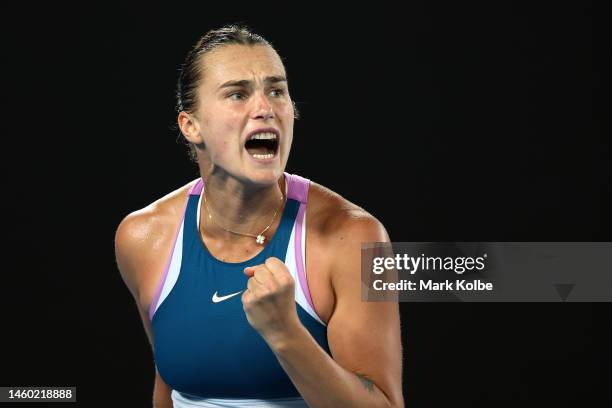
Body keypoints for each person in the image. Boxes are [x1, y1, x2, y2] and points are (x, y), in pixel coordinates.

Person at [115, 25, 404, 408]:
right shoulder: (142, 238)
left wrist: (286, 334)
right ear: (191, 126)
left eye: (276, 91)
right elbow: (167, 385)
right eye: (237, 94)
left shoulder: (353, 237)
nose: (265, 108)